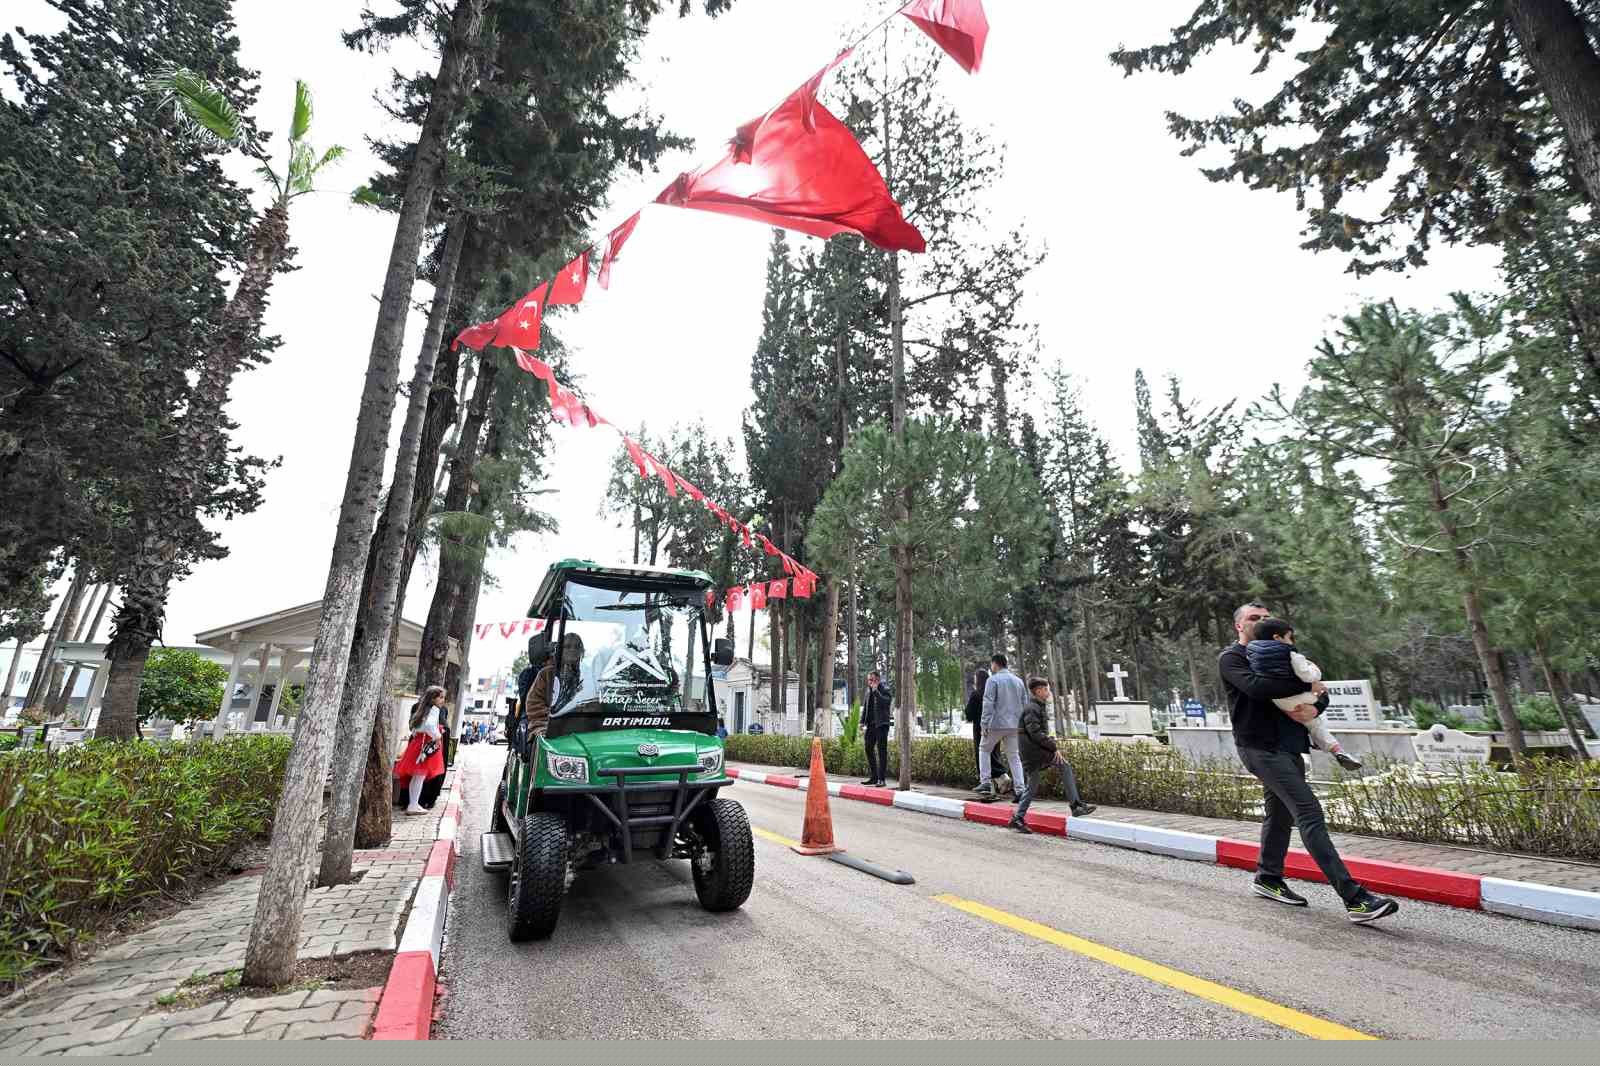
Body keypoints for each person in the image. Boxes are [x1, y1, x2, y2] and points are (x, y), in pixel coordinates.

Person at [1221, 602, 1398, 923]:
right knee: (1309, 812)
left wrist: (1317, 707)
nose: (1261, 623)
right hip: (1259, 748)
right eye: (1253, 619)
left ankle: (1268, 877)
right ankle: (1355, 898)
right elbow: (1257, 688)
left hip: (1290, 746)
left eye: (1265, 618)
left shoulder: (1289, 655)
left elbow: (1322, 690)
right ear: (1239, 626)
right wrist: (1308, 687)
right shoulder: (1233, 658)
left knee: (1280, 815)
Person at [1247, 618, 1362, 771]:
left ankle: (1310, 749)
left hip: (1279, 701)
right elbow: (1307, 676)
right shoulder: (1290, 653)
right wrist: (1315, 669)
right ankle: (1337, 751)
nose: (1291, 642)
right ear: (1277, 637)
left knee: (1303, 723)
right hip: (1300, 697)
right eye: (1289, 637)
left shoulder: (1252, 656)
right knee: (1315, 723)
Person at [1010, 676, 1095, 832]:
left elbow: (1036, 732)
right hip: (1034, 752)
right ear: (1038, 691)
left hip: (1031, 752)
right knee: (1064, 765)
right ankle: (1075, 805)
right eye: (1046, 689)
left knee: (1032, 786)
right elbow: (1035, 732)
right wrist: (1053, 747)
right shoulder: (1032, 708)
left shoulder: (1036, 707)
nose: (1048, 692)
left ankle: (1017, 818)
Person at [975, 653, 1027, 802]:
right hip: (1014, 725)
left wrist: (984, 724)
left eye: (992, 665)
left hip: (996, 724)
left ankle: (985, 782)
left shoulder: (993, 680)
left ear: (995, 664)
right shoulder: (1018, 681)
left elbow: (988, 703)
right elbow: (1025, 703)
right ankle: (1020, 790)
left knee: (984, 749)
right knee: (1014, 756)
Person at [395, 685, 448, 816]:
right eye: (440, 697)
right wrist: (438, 735)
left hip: (417, 743)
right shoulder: (434, 710)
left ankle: (413, 803)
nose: (442, 700)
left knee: (416, 776)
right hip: (425, 744)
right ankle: (413, 805)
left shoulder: (422, 709)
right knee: (419, 776)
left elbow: (415, 728)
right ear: (433, 698)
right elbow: (430, 725)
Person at [861, 671, 893, 787]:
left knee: (881, 751)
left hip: (882, 725)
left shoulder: (885, 689)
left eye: (872, 680)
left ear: (878, 680)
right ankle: (874, 777)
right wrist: (862, 722)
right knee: (868, 748)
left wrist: (876, 692)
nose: (870, 682)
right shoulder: (868, 691)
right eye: (869, 680)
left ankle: (882, 779)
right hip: (871, 725)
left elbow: (886, 702)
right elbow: (866, 707)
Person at [964, 668, 990, 780]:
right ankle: (1000, 779)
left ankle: (984, 780)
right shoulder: (991, 693)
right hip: (993, 726)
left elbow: (969, 714)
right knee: (994, 753)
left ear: (978, 680)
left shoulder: (976, 694)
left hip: (979, 727)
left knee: (981, 753)